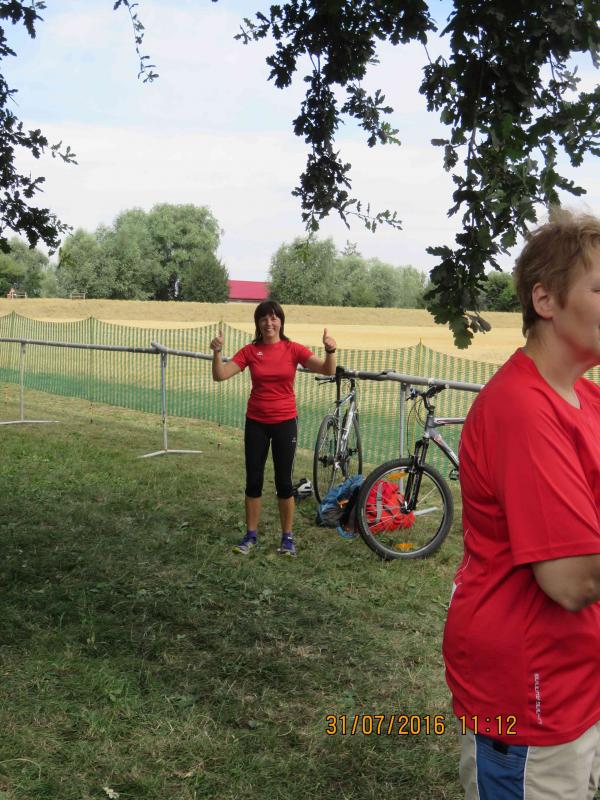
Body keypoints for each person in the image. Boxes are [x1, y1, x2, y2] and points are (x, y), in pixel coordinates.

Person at [443, 208, 600, 800]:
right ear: (546, 299)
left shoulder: (584, 397)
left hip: (578, 679)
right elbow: (572, 580)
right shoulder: (523, 410)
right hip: (531, 696)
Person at [209, 300, 336, 557]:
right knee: (253, 480)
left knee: (284, 483)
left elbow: (327, 369)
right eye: (264, 318)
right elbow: (220, 375)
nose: (269, 323)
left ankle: (287, 539)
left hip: (285, 423)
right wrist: (217, 352)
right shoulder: (250, 351)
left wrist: (330, 350)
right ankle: (250, 536)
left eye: (274, 318)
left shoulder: (293, 349)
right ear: (258, 323)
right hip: (256, 422)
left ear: (281, 322)